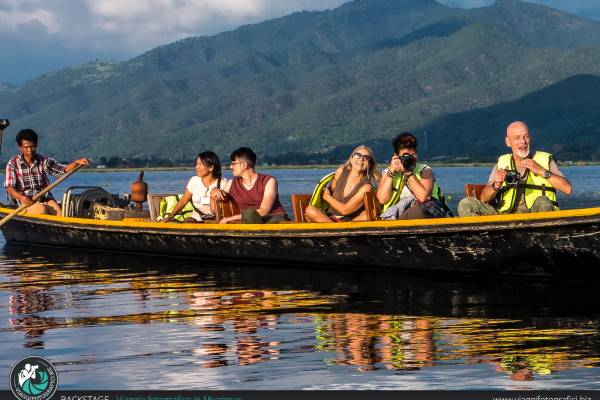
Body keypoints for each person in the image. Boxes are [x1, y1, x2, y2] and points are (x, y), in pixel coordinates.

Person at [458, 121, 572, 216]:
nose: (523, 142)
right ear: (508, 142)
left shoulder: (545, 159)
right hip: (504, 217)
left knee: (543, 201)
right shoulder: (502, 162)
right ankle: (484, 238)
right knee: (466, 203)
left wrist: (540, 170)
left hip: (534, 216)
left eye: (526, 137)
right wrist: (496, 185)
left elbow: (567, 189)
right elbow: (483, 198)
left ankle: (541, 239)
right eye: (517, 138)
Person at [4, 128, 89, 216]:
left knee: (60, 214)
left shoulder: (43, 160)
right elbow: (10, 188)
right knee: (41, 211)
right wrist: (23, 198)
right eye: (26, 147)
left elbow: (63, 170)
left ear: (36, 145)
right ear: (20, 147)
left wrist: (76, 163)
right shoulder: (13, 164)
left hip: (45, 198)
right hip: (26, 201)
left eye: (32, 146)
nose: (29, 150)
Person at [377, 132, 451, 220]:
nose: (410, 158)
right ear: (396, 156)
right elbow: (382, 200)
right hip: (396, 216)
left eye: (413, 155)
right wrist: (391, 172)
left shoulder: (425, 170)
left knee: (417, 211)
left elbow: (422, 198)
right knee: (416, 212)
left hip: (426, 213)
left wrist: (408, 173)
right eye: (406, 156)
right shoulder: (388, 172)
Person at [211, 147, 289, 224]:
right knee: (249, 215)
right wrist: (214, 191)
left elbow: (264, 211)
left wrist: (233, 218)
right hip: (250, 221)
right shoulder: (231, 183)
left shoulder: (268, 180)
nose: (230, 167)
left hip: (273, 219)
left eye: (233, 164)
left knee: (249, 213)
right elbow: (215, 209)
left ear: (244, 165)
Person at [304, 145, 380, 222]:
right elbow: (330, 191)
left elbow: (345, 210)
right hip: (328, 218)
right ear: (351, 159)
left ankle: (336, 230)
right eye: (358, 155)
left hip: (348, 221)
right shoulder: (340, 171)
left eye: (366, 157)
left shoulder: (366, 187)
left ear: (370, 164)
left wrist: (326, 196)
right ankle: (335, 229)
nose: (361, 159)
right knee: (310, 210)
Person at [161, 151, 228, 223]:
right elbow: (183, 201)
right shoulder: (194, 181)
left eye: (200, 164)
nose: (196, 167)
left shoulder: (223, 183)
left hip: (215, 221)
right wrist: (170, 216)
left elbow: (227, 207)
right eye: (196, 164)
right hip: (195, 220)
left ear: (211, 167)